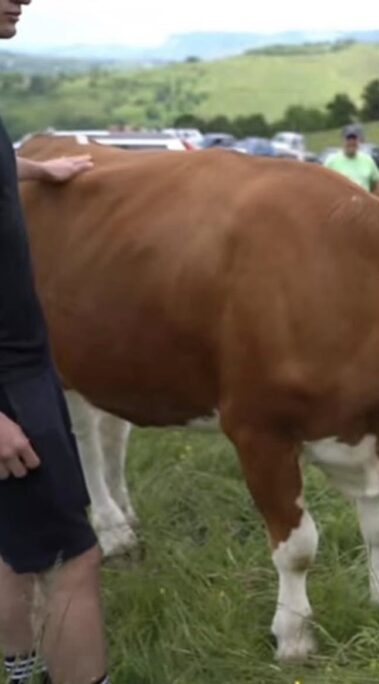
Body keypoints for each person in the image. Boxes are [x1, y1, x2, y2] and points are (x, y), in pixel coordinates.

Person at [0, 3, 112, 684]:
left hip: (15, 366)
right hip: (8, 376)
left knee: (9, 547)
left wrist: (39, 173)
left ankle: (19, 671)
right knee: (76, 559)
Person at [323, 126, 379, 196]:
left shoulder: (368, 160)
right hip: (342, 205)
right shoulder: (331, 162)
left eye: (354, 139)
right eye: (348, 139)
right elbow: (323, 186)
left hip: (363, 204)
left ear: (358, 141)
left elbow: (376, 186)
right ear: (342, 140)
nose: (351, 142)